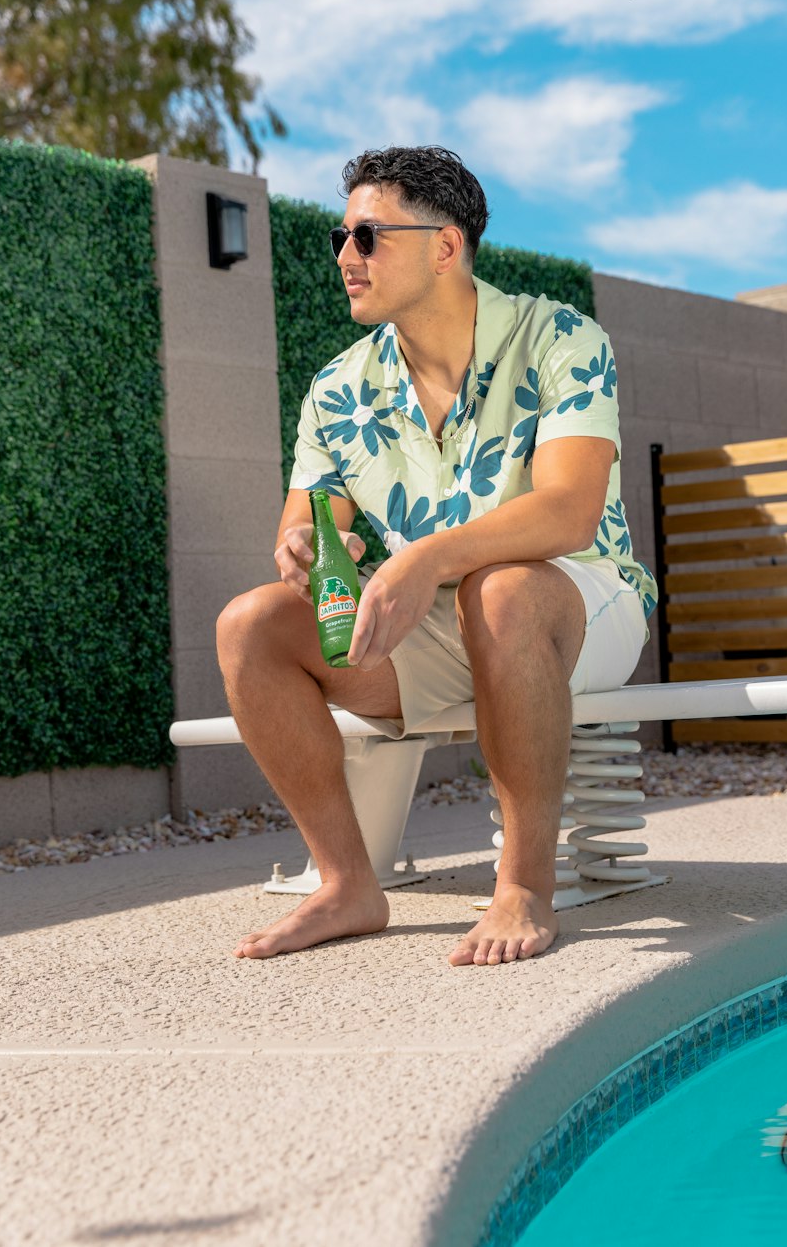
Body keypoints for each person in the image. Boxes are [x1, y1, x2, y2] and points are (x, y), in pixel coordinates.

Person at [216, 146, 657, 967]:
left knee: (501, 592)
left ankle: (523, 885)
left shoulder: (561, 336)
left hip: (577, 603)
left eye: (369, 235)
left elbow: (568, 509)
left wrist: (423, 559)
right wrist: (315, 552)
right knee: (252, 626)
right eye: (341, 237)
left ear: (445, 245)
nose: (347, 255)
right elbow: (301, 529)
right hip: (435, 625)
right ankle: (348, 883)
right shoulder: (336, 389)